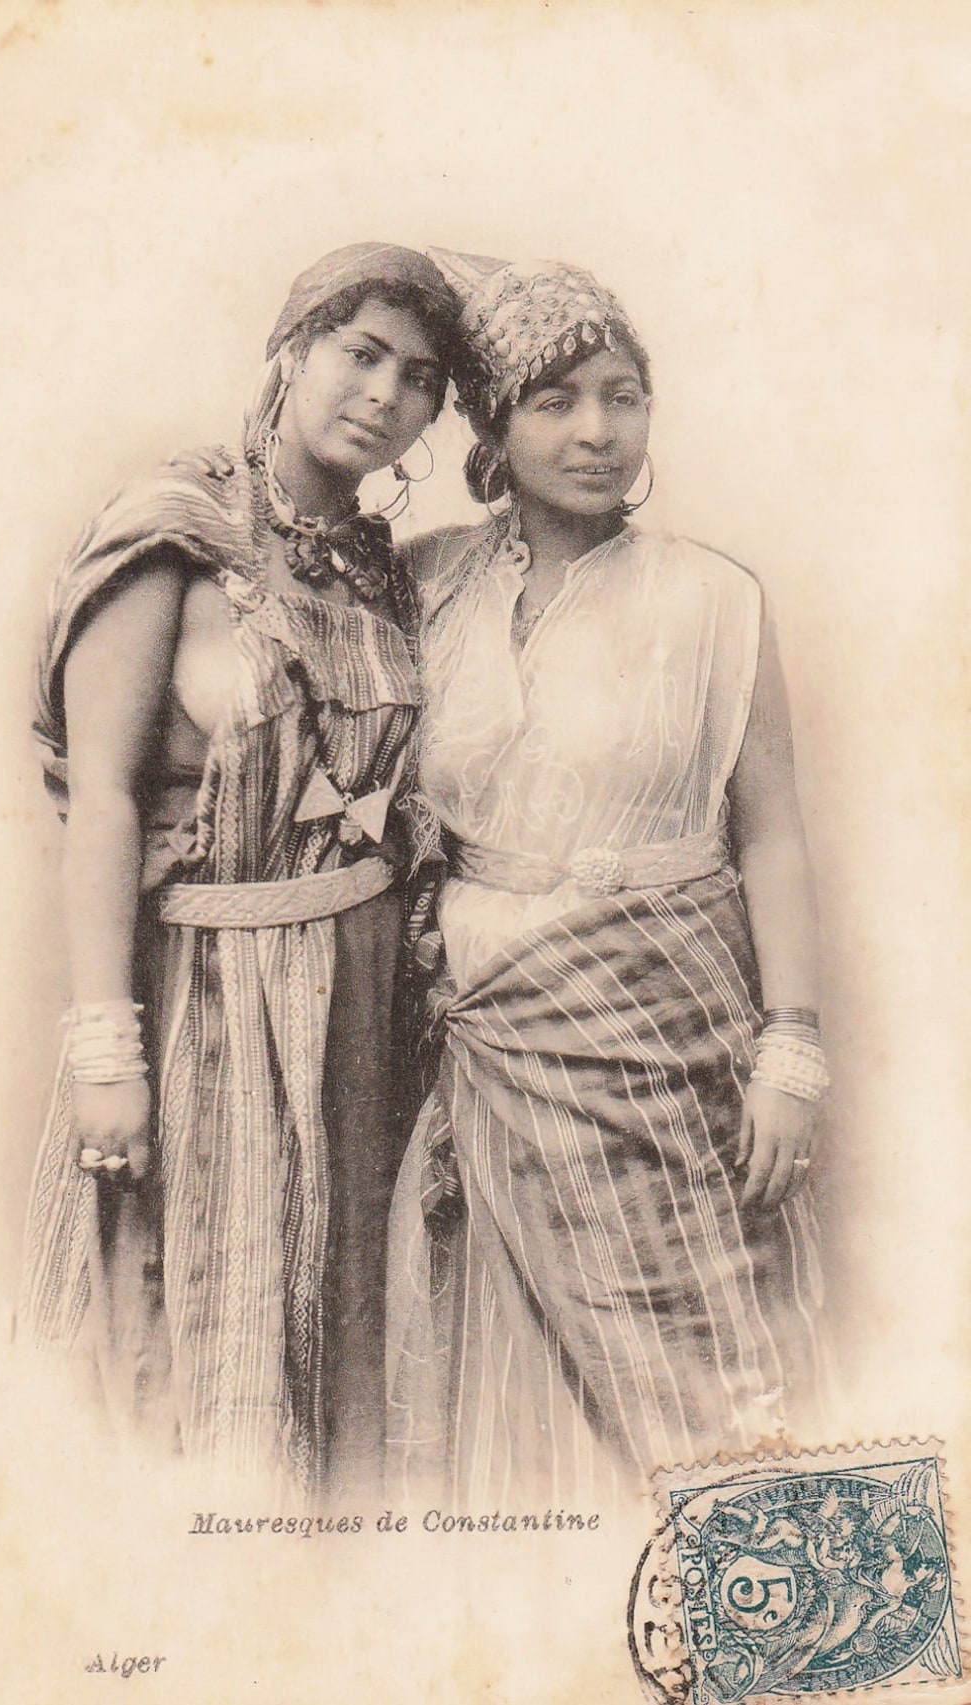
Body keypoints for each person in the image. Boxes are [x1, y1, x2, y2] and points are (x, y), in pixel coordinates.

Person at [386, 250, 830, 1504]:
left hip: (669, 1033)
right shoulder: (423, 582)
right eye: (555, 400)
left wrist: (792, 1050)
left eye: (623, 396)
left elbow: (772, 834)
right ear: (491, 424)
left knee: (714, 1383)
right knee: (514, 1374)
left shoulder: (716, 598)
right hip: (485, 1032)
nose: (597, 431)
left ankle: (790, 1613)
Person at [18, 243, 460, 1501]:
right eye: (360, 353)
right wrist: (105, 1051)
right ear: (294, 347)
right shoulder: (176, 529)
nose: (384, 394)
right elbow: (104, 798)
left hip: (362, 1021)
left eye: (419, 379)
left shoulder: (379, 568)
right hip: (205, 997)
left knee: (339, 1355)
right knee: (196, 1343)